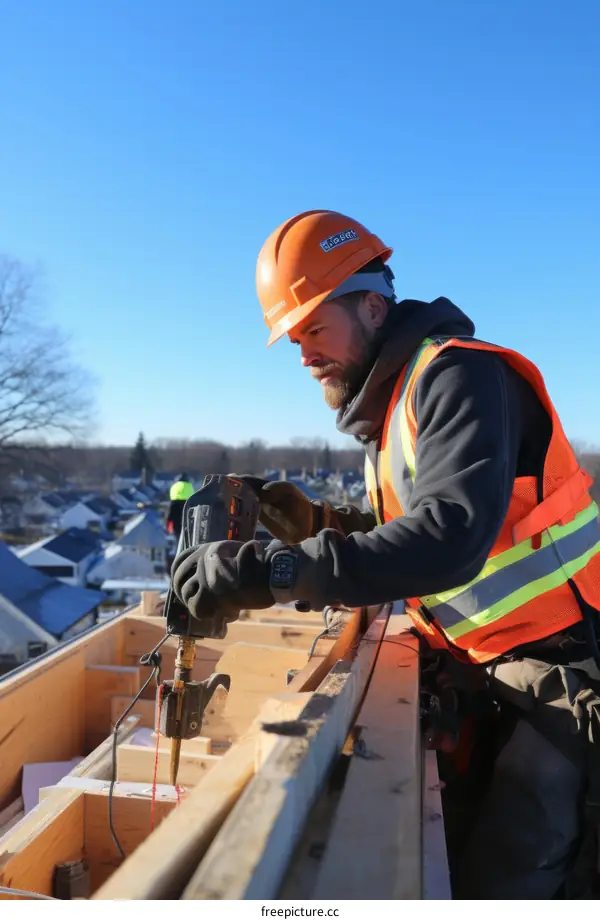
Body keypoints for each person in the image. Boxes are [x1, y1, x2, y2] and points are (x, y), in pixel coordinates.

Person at [170, 209, 600, 899]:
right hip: (491, 670)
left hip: (562, 677)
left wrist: (269, 572)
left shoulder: (458, 378)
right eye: (294, 338)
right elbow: (394, 534)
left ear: (373, 305)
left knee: (509, 885)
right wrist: (297, 519)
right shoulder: (398, 408)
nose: (304, 354)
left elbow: (447, 536)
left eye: (313, 328)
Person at [166, 472, 194, 542]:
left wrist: (168, 526)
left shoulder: (175, 486)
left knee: (178, 541)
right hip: (188, 507)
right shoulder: (189, 486)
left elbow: (170, 515)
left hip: (177, 522)